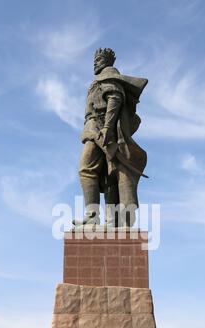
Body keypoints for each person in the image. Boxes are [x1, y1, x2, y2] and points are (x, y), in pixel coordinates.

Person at [73, 48, 148, 228]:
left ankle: (93, 216)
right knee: (107, 176)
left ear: (107, 62)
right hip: (96, 128)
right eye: (95, 59)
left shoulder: (108, 75)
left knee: (87, 169)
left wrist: (107, 128)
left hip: (99, 129)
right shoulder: (100, 79)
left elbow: (114, 98)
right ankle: (110, 220)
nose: (95, 62)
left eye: (99, 59)